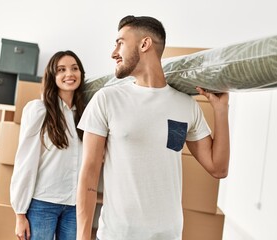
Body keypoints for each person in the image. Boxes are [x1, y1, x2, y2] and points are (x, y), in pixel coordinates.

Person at [76, 15, 230, 240]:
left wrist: (221, 110)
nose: (114, 52)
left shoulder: (185, 105)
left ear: (144, 44)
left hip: (168, 235)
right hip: (117, 235)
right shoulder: (107, 99)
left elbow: (218, 168)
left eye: (120, 42)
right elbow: (89, 175)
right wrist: (82, 236)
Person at [10, 50, 86, 240]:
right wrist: (20, 213)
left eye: (74, 68)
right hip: (42, 204)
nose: (69, 74)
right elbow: (25, 161)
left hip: (75, 205)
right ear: (53, 76)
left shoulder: (85, 113)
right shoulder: (39, 110)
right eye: (61, 70)